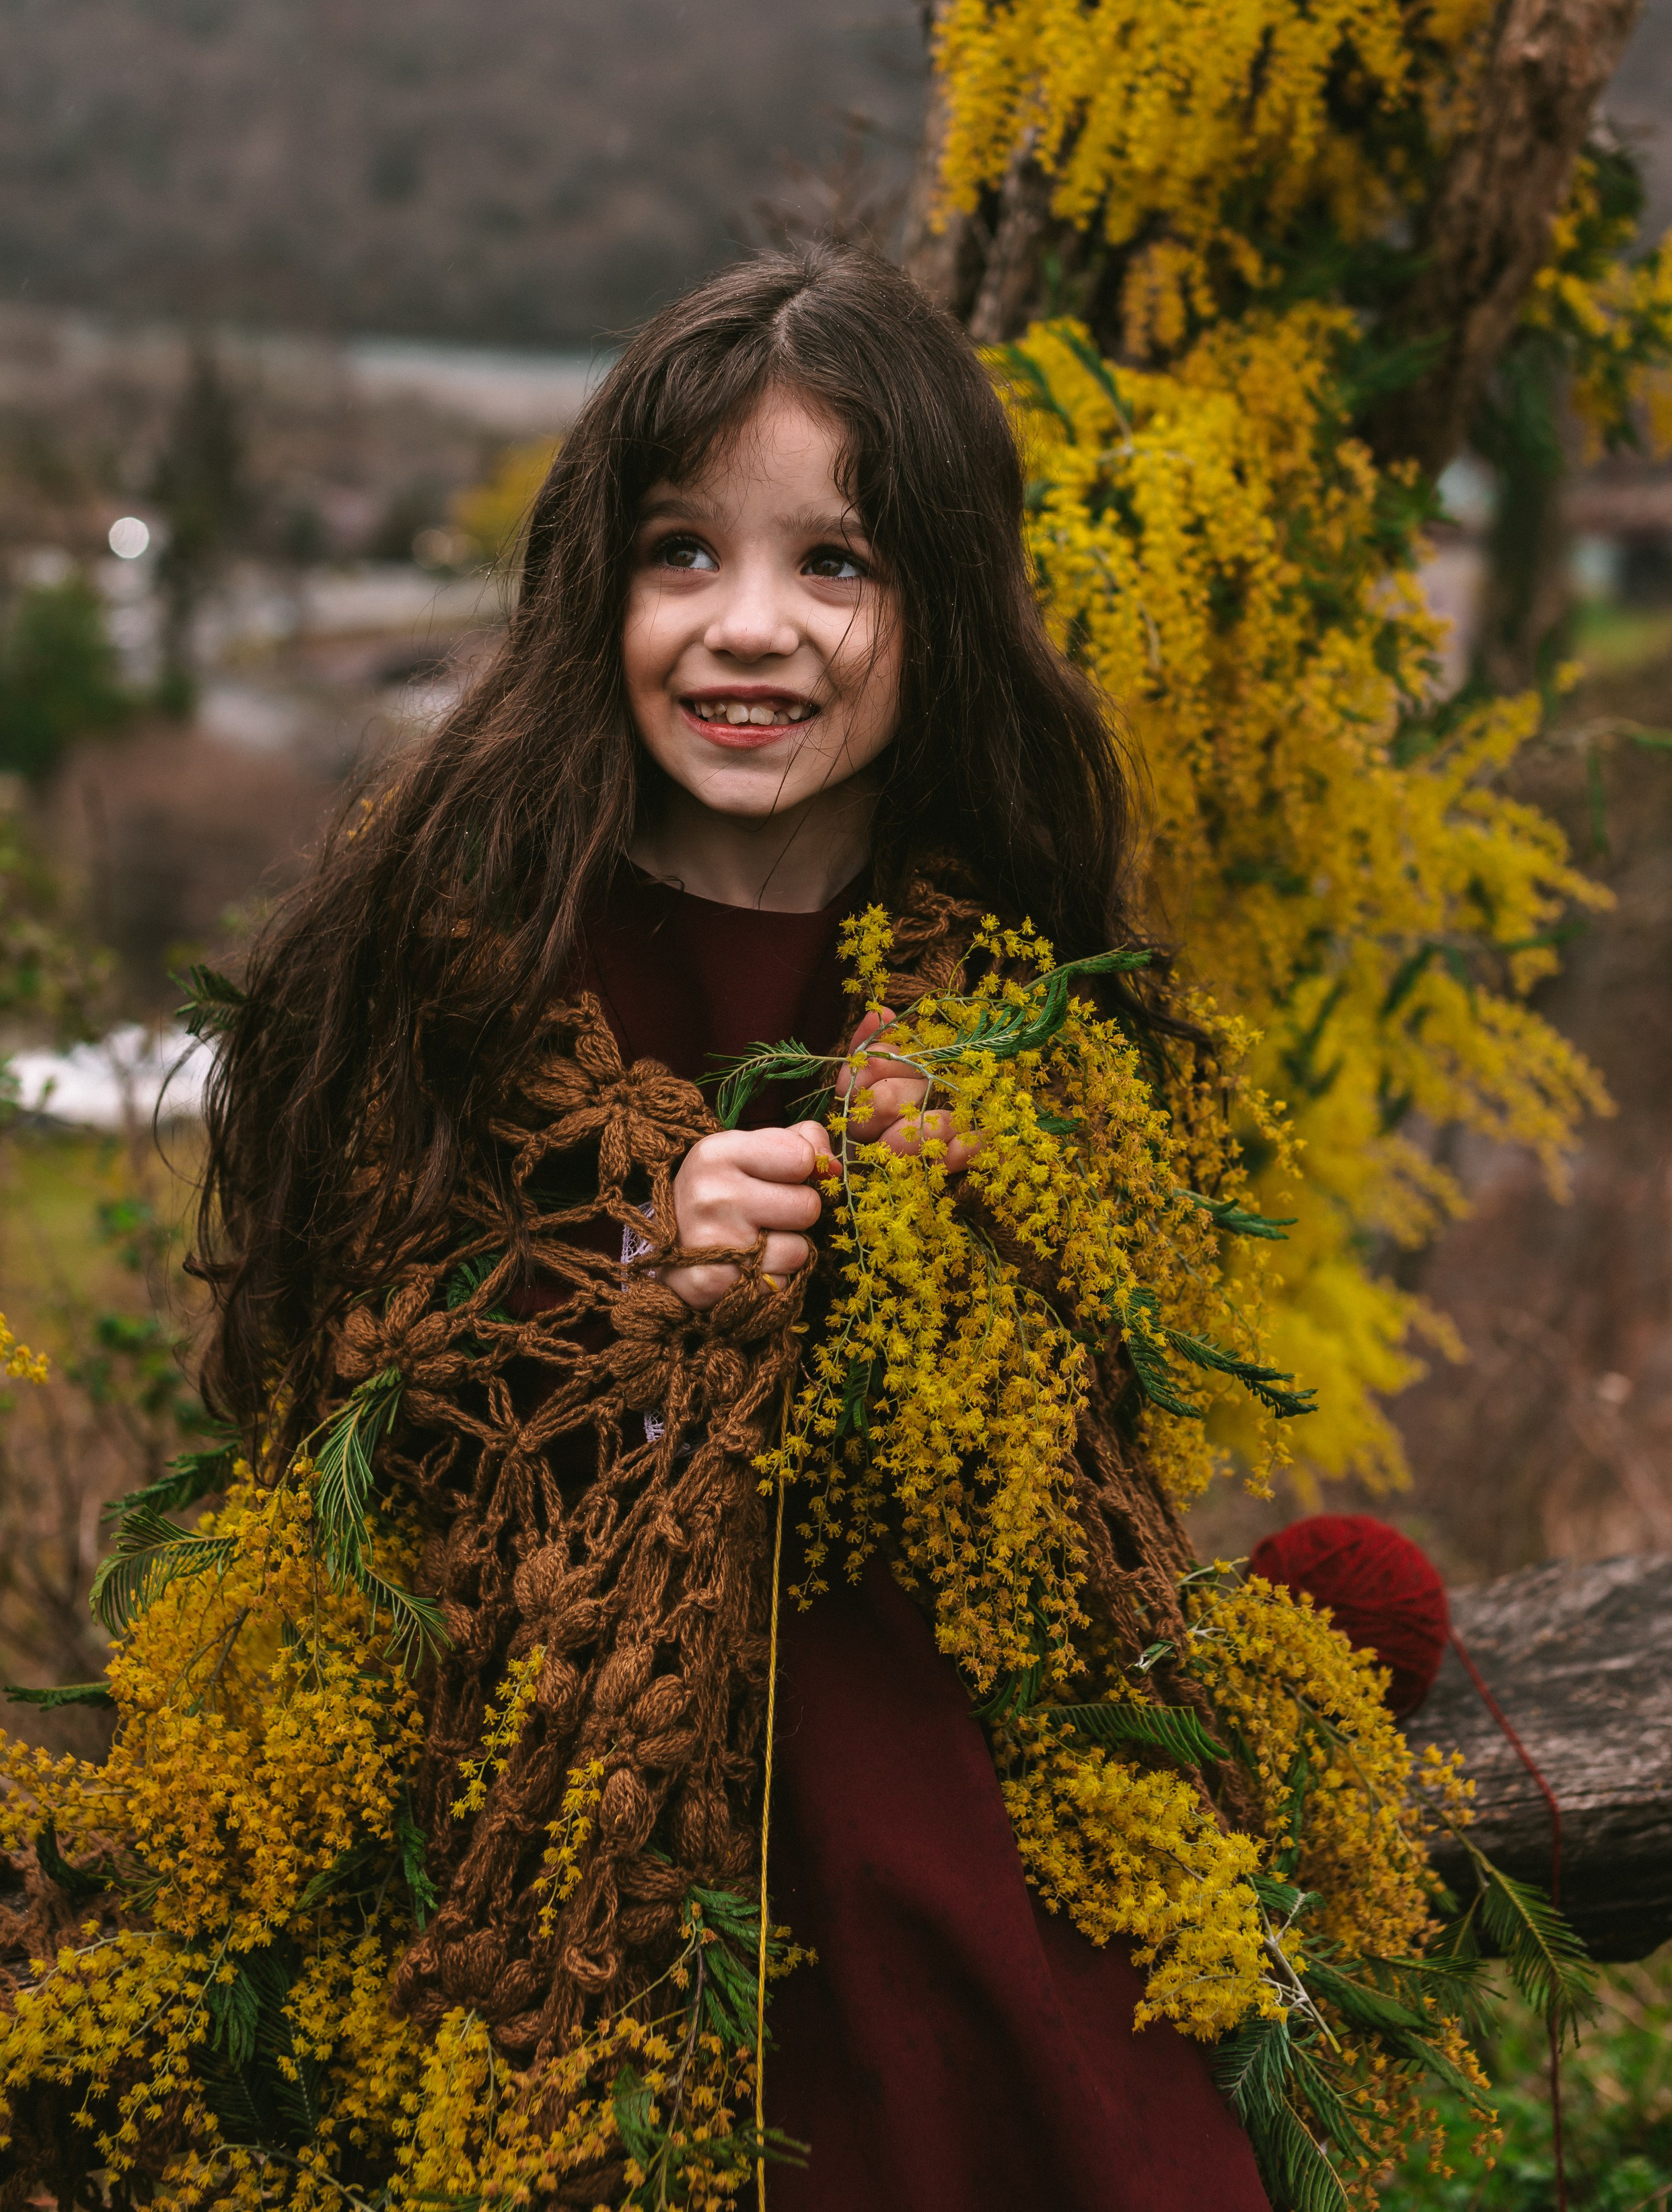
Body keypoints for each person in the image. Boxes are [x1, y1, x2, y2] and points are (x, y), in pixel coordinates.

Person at [196, 243, 1270, 2209]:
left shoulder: (1013, 962)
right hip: (541, 1725)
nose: (745, 630)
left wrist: (976, 1247)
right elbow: (350, 1363)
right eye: (682, 554)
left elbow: (1093, 1438)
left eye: (833, 566)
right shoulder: (473, 930)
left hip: (918, 1711)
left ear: (942, 602)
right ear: (593, 582)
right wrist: (635, 1278)